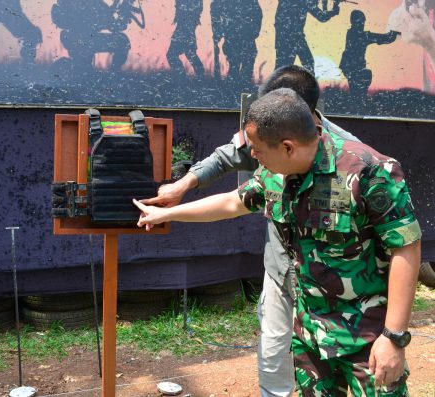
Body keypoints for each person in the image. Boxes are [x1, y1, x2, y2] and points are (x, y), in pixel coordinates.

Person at [135, 88, 422, 395]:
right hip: (310, 336)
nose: (252, 155)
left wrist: (394, 337)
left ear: (287, 147)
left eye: (257, 149)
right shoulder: (276, 173)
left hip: (367, 337)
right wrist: (165, 213)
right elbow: (233, 202)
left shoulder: (368, 170)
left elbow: (406, 247)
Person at [340, 10, 399, 98]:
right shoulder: (361, 36)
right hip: (355, 70)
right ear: (357, 22)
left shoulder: (351, 33)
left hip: (349, 68)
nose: (363, 24)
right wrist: (394, 33)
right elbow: (385, 38)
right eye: (362, 22)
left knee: (356, 94)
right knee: (359, 95)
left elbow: (383, 38)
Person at [274, 0, 341, 73]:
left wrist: (326, 6)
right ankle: (308, 83)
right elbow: (322, 17)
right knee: (306, 64)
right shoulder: (305, 2)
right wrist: (333, 10)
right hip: (294, 38)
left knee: (282, 68)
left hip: (286, 38)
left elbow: (321, 16)